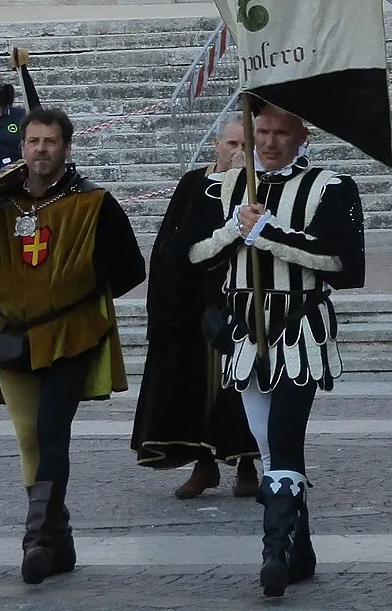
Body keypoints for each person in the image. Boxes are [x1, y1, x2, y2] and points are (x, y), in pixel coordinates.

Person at [183, 93, 366, 597]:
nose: (268, 142)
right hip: (244, 330)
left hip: (299, 327)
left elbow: (345, 265)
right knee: (268, 446)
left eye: (280, 133)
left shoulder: (331, 187)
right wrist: (231, 234)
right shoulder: (228, 187)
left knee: (283, 439)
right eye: (261, 133)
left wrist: (267, 232)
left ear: (302, 136)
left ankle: (274, 552)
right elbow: (193, 255)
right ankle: (299, 547)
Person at [0, 106, 144, 584]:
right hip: (9, 334)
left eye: (51, 142)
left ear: (67, 147)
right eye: (33, 142)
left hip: (68, 334)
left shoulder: (93, 202)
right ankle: (59, 538)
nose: (41, 150)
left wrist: (76, 292)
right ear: (22, 148)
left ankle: (35, 539)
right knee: (29, 438)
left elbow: (130, 269)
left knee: (53, 430)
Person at [132, 118, 259, 501]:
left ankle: (248, 463)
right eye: (231, 143)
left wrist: (240, 187)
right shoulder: (193, 183)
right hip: (190, 303)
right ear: (217, 144)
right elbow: (173, 240)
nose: (236, 152)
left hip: (239, 301)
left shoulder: (258, 187)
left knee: (238, 386)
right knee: (191, 388)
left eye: (244, 146)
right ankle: (203, 465)